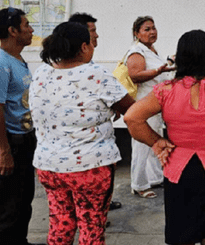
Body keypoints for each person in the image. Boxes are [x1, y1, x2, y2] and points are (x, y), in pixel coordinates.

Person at [124, 29, 205, 245]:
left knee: (182, 236)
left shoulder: (165, 91)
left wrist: (156, 141)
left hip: (180, 171)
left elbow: (132, 118)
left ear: (180, 58)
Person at [30, 22, 134, 245]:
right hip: (90, 167)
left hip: (49, 167)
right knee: (91, 228)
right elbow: (131, 109)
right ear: (85, 47)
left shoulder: (41, 73)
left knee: (60, 224)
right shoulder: (94, 73)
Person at [68, 12, 122, 212]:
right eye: (93, 31)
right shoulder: (90, 71)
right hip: (87, 148)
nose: (97, 36)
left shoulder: (82, 66)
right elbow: (125, 104)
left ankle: (99, 208)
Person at [0, 7, 40, 245]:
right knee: (7, 204)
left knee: (23, 199)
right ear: (12, 31)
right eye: (26, 25)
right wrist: (4, 152)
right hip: (11, 142)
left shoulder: (18, 59)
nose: (31, 29)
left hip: (25, 139)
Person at [126, 16, 174, 198]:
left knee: (154, 140)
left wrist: (167, 63)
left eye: (153, 28)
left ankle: (154, 178)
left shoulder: (150, 50)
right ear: (137, 33)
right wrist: (160, 70)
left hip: (156, 104)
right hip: (145, 104)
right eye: (147, 29)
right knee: (142, 145)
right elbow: (135, 75)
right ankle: (138, 184)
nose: (152, 32)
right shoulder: (136, 51)